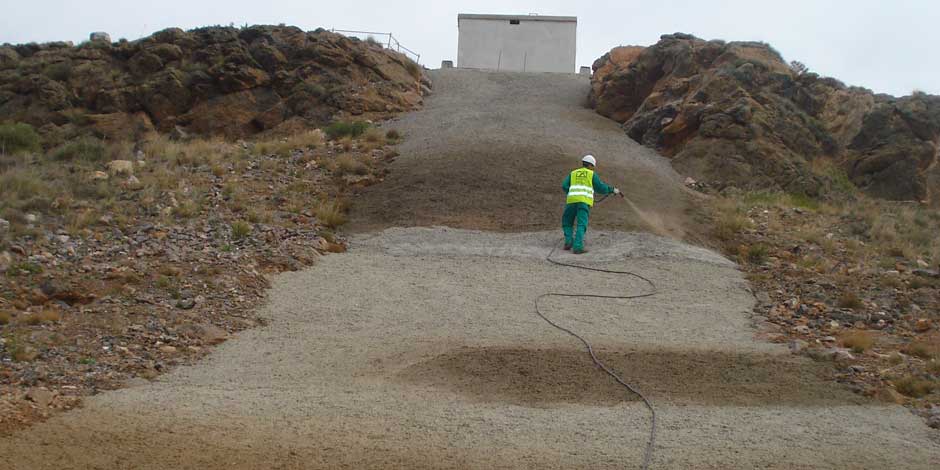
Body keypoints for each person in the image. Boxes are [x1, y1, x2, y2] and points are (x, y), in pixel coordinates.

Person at [561, 155, 622, 254]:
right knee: (581, 224)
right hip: (583, 202)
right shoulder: (591, 174)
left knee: (567, 222)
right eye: (593, 166)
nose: (593, 168)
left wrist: (573, 193)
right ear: (590, 165)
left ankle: (568, 242)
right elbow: (601, 188)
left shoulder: (573, 173)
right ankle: (577, 247)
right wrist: (612, 190)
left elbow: (564, 186)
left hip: (571, 201)